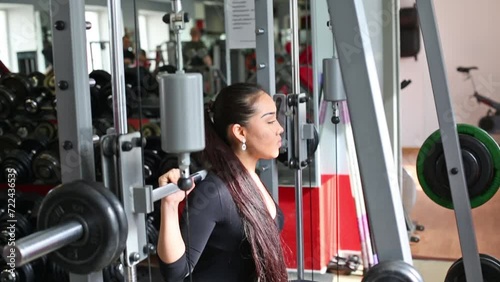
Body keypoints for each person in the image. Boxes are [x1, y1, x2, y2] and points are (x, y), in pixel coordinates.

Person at [157, 83, 288, 282]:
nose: (280, 128)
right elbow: (176, 273)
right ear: (240, 132)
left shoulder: (249, 178)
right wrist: (170, 205)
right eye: (270, 121)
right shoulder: (215, 192)